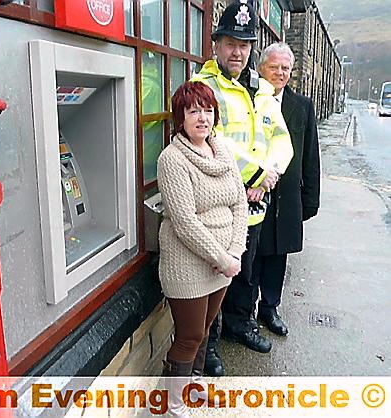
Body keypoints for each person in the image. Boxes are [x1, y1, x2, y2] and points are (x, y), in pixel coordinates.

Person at [190, 0, 293, 375]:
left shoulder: (262, 88)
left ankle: (238, 324)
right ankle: (211, 343)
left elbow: (281, 139)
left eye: (245, 44)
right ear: (216, 44)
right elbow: (210, 138)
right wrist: (254, 175)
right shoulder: (202, 88)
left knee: (245, 273)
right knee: (215, 276)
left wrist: (272, 173)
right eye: (231, 43)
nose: (238, 51)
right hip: (218, 205)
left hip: (255, 203)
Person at [157, 80, 248, 416]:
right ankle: (174, 404)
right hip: (188, 264)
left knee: (205, 329)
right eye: (193, 110)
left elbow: (240, 203)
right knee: (190, 335)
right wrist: (221, 258)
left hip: (224, 263)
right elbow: (184, 222)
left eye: (207, 110)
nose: (202, 117)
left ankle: (192, 388)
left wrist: (234, 253)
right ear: (179, 117)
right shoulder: (172, 159)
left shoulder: (222, 150)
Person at [253, 42, 320, 336]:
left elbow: (310, 157)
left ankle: (270, 308)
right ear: (260, 68)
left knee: (278, 255)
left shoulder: (302, 106)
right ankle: (245, 313)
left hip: (288, 197)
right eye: (274, 67)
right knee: (253, 254)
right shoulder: (249, 100)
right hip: (255, 193)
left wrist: (310, 199)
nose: (280, 73)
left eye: (285, 68)